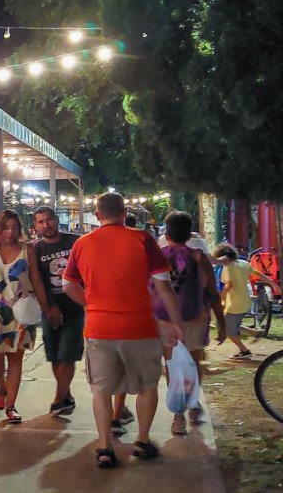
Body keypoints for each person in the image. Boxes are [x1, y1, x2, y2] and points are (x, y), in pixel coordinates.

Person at [62, 193, 184, 469]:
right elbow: (164, 286)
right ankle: (142, 440)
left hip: (99, 328)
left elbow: (68, 284)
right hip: (140, 327)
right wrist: (175, 322)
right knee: (147, 386)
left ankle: (105, 447)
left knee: (101, 390)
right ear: (125, 212)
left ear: (97, 215)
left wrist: (90, 304)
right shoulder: (142, 239)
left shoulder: (82, 243)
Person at [0, 209, 52, 425]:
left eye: (15, 228)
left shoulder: (27, 249)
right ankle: (3, 386)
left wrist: (46, 308)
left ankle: (11, 406)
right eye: (6, 227)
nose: (11, 232)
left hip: (20, 310)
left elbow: (36, 280)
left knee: (15, 359)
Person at [157, 212, 225, 434]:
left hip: (166, 320)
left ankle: (178, 417)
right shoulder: (198, 257)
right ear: (189, 235)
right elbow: (212, 293)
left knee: (173, 366)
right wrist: (222, 323)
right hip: (195, 318)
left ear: (167, 234)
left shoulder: (157, 257)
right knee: (193, 364)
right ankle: (193, 404)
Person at [33, 206, 86, 416]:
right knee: (54, 355)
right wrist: (49, 307)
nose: (46, 225)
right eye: (41, 222)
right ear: (35, 226)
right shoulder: (36, 249)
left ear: (56, 220)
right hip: (49, 308)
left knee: (68, 354)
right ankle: (66, 395)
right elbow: (37, 281)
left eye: (49, 219)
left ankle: (58, 399)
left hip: (74, 306)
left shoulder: (75, 242)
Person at [214, 244, 253, 359]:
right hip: (245, 301)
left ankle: (245, 351)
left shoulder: (228, 267)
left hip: (234, 303)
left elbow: (228, 284)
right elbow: (258, 274)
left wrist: (221, 297)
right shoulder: (244, 263)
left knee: (228, 330)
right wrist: (272, 283)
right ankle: (251, 334)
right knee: (231, 324)